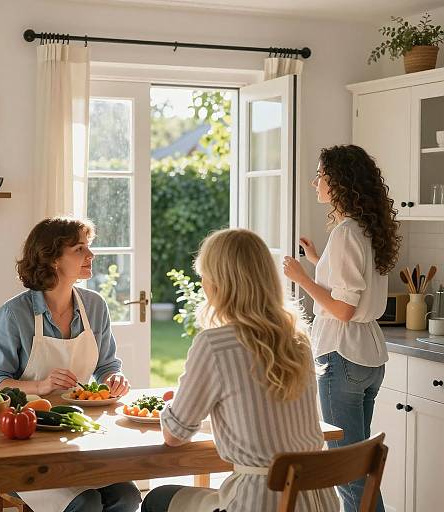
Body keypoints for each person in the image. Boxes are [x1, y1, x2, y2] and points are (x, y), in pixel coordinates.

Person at [141, 228, 339, 512]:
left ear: (219, 283)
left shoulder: (215, 344)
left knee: (156, 499)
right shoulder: (298, 339)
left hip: (258, 503)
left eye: (204, 276)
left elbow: (175, 435)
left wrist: (171, 404)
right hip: (318, 502)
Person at [0, 217, 141, 512]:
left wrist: (114, 378)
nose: (91, 255)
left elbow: (108, 364)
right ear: (53, 258)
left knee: (127, 497)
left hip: (78, 432)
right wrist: (41, 386)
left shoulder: (94, 306)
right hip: (23, 441)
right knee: (86, 501)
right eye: (80, 249)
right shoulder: (15, 314)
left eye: (88, 247)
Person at [283, 145, 401, 512]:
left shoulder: (347, 233)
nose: (315, 182)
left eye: (320, 175)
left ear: (338, 182)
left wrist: (302, 278)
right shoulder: (365, 229)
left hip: (342, 357)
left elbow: (344, 310)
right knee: (360, 467)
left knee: (348, 474)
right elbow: (353, 285)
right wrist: (320, 261)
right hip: (368, 359)